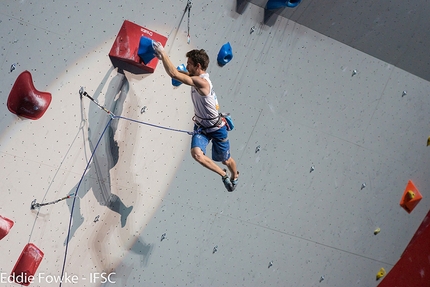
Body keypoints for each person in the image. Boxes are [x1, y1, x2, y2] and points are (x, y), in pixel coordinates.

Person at [153, 42, 239, 192]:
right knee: (197, 155)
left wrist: (162, 51)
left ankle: (234, 175)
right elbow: (178, 73)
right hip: (201, 126)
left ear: (198, 66)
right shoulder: (195, 76)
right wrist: (162, 58)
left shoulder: (202, 82)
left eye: (189, 64)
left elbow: (174, 74)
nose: (186, 67)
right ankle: (223, 175)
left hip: (216, 128)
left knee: (226, 160)